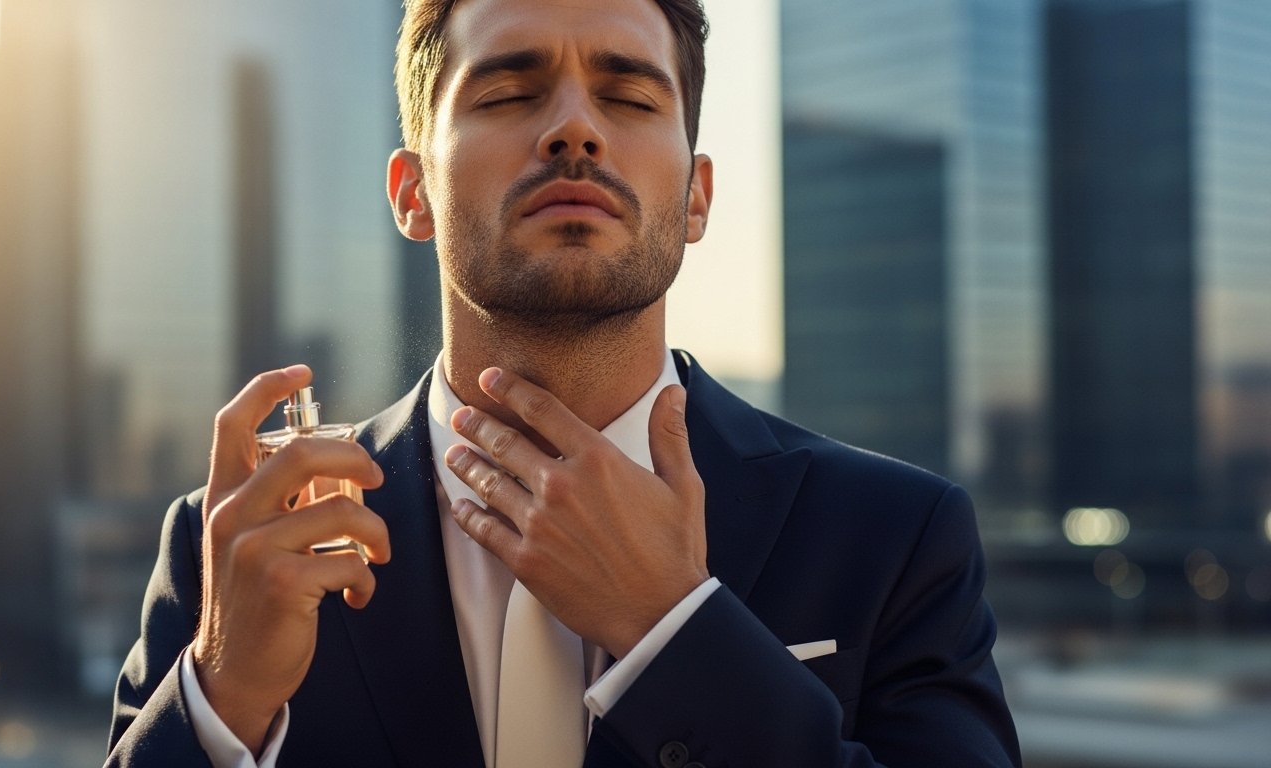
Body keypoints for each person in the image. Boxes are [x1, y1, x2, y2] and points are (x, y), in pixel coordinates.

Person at [106, 0, 1022, 765]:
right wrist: (222, 700)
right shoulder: (237, 546)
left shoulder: (895, 537)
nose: (575, 128)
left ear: (696, 196)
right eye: (508, 92)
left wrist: (676, 630)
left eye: (630, 96)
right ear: (413, 192)